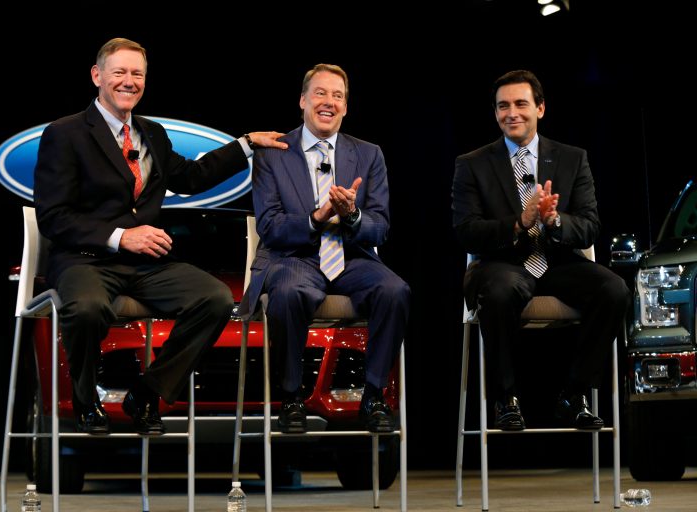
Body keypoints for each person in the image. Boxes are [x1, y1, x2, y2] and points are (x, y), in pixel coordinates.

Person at [34, 37, 287, 436]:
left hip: (144, 264)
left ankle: (147, 393)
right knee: (85, 309)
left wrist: (246, 144)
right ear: (97, 76)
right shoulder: (64, 134)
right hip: (86, 259)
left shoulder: (152, 133)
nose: (128, 81)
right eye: (119, 72)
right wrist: (121, 236)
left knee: (215, 298)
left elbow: (191, 177)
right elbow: (54, 216)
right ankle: (86, 400)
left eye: (137, 74)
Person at [451, 69, 628, 431]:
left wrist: (554, 221)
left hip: (557, 260)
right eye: (503, 106)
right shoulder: (472, 164)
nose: (511, 113)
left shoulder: (572, 158)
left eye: (521, 104)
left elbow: (590, 225)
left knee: (615, 290)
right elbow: (467, 232)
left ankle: (575, 393)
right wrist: (519, 222)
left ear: (541, 108)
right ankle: (506, 399)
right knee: (500, 291)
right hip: (501, 263)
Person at [238, 63, 410, 433]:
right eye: (320, 93)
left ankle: (374, 396)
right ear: (302, 100)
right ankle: (291, 398)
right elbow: (269, 227)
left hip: (351, 257)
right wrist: (318, 217)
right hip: (294, 258)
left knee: (395, 290)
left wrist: (350, 216)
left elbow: (379, 229)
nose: (328, 102)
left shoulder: (369, 154)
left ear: (346, 107)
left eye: (337, 96)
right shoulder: (273, 153)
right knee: (288, 293)